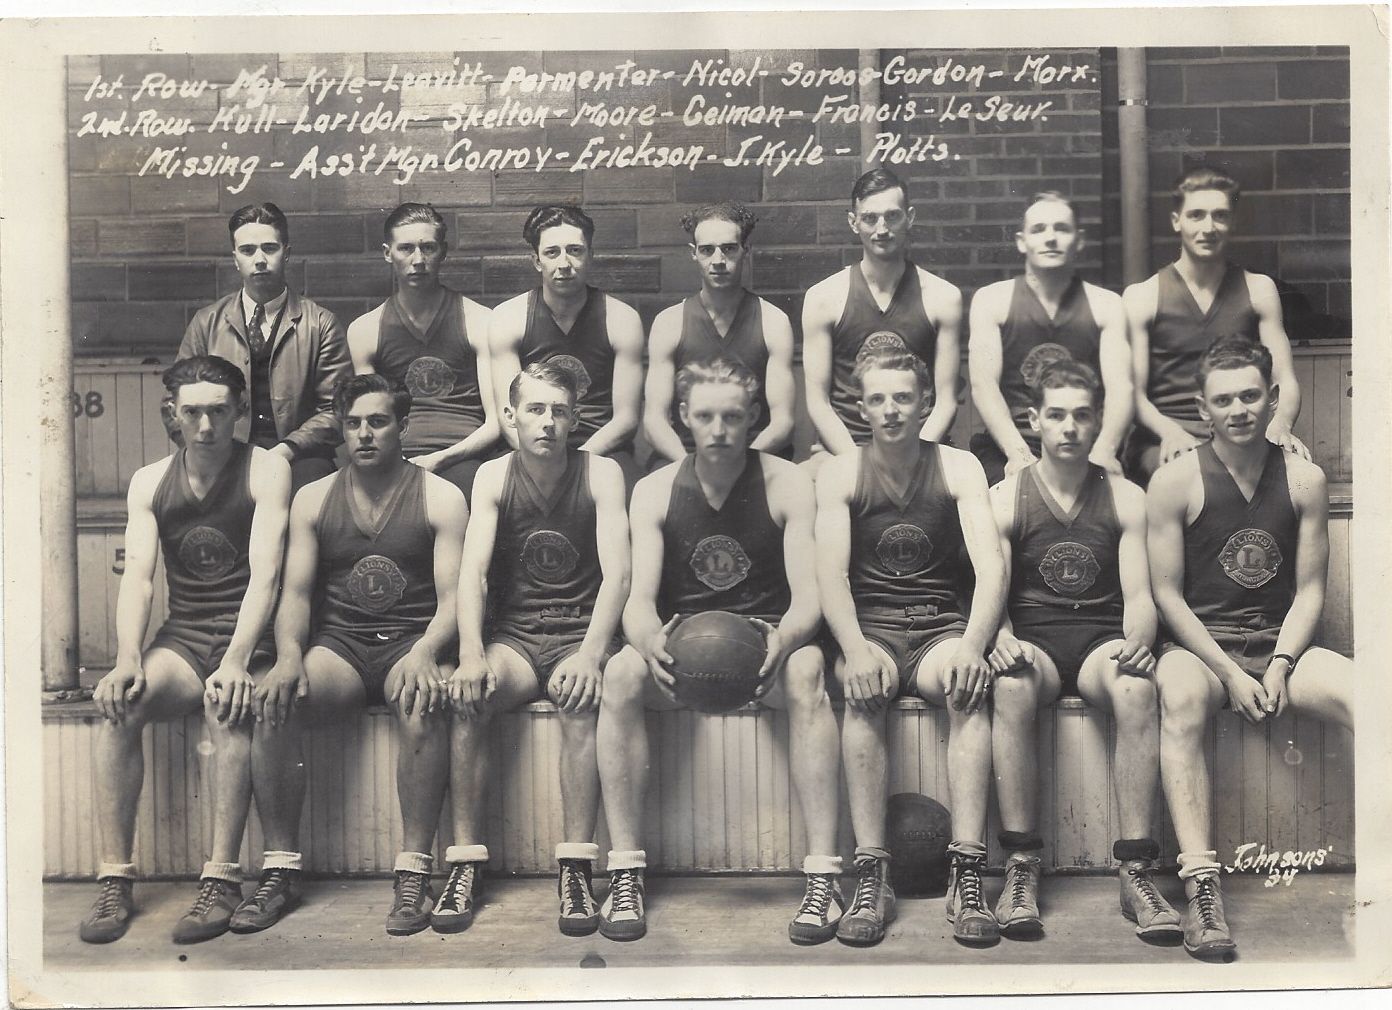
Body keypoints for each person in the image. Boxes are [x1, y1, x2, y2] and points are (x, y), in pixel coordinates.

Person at [596, 358, 842, 944]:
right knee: (624, 673)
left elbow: (810, 598)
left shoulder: (788, 483)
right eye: (704, 416)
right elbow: (638, 601)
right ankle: (626, 870)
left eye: (733, 416)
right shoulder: (655, 490)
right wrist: (649, 641)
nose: (719, 429)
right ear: (683, 418)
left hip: (764, 650)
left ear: (754, 417)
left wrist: (783, 640)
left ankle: (823, 876)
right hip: (685, 651)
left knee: (809, 668)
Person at [240, 374, 467, 937]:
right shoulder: (313, 498)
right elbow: (293, 594)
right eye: (353, 424)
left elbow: (456, 598)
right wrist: (290, 656)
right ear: (340, 430)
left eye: (378, 421)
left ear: (403, 426)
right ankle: (280, 869)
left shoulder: (440, 496)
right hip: (341, 646)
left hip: (410, 644)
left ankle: (414, 870)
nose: (364, 434)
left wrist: (427, 651)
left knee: (421, 703)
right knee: (275, 700)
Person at [1148, 338, 1353, 961]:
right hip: (1204, 647)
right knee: (1179, 695)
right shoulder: (1173, 480)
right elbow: (1167, 595)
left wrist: (1284, 663)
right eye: (1222, 400)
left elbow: (1311, 588)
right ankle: (1201, 886)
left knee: (1372, 697)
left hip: (1278, 642)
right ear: (1201, 408)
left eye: (1249, 395)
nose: (1238, 409)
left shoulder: (1304, 478)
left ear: (1272, 398)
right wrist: (1228, 674)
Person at [81, 355, 290, 945]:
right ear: (172, 412)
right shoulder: (150, 480)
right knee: (122, 705)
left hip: (253, 638)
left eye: (219, 412)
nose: (205, 426)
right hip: (186, 636)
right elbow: (140, 579)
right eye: (192, 412)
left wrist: (237, 660)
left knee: (227, 707)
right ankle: (114, 878)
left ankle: (220, 879)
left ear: (240, 411)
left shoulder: (265, 469)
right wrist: (127, 657)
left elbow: (265, 576)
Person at [815, 347, 1005, 947]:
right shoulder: (841, 471)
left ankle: (967, 870)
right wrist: (854, 649)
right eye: (878, 399)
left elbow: (992, 570)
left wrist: (975, 645)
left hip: (937, 627)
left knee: (968, 688)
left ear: (926, 402)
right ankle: (872, 871)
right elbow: (830, 576)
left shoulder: (959, 466)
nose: (891, 410)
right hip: (870, 627)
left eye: (903, 398)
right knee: (861, 692)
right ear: (860, 407)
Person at [986, 360, 1180, 944]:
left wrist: (1138, 644)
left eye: (1082, 415)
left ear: (1099, 422)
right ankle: (1021, 867)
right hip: (1036, 641)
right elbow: (991, 591)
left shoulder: (1124, 496)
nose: (1069, 427)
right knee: (1012, 684)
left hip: (1099, 638)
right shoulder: (1005, 497)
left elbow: (1141, 594)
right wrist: (999, 638)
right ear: (1033, 420)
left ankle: (1136, 869)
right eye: (1057, 415)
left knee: (1136, 686)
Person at [437, 362, 631, 936]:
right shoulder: (493, 477)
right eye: (536, 410)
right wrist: (472, 652)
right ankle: (465, 862)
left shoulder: (602, 473)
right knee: (468, 697)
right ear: (511, 416)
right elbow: (471, 574)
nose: (547, 423)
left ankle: (575, 866)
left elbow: (618, 576)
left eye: (560, 411)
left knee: (579, 702)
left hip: (580, 633)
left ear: (575, 419)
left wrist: (593, 655)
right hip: (517, 638)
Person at [1123, 167, 1308, 481]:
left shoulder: (1259, 289)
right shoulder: (1142, 296)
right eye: (1196, 215)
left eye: (1219, 216)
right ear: (1176, 221)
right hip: (1165, 442)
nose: (1208, 227)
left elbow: (1285, 379)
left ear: (1232, 222)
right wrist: (1169, 432)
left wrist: (1281, 425)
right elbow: (1133, 393)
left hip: (1240, 434)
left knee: (1302, 473)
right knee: (1190, 478)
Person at [172, 202, 351, 492]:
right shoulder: (206, 323)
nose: (259, 259)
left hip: (299, 457)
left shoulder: (320, 324)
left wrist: (286, 450)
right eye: (248, 250)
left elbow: (338, 408)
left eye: (269, 248)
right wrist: (208, 446)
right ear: (235, 259)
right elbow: (174, 401)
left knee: (311, 493)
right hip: (219, 452)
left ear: (287, 253)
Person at [968, 191, 1133, 484]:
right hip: (1012, 443)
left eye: (1061, 228)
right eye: (1039, 229)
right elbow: (984, 387)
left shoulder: (1106, 305)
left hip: (1081, 443)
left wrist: (1104, 450)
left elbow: (1120, 388)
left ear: (1079, 240)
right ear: (1022, 241)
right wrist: (1017, 453)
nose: (1051, 238)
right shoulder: (991, 301)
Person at [802, 168, 962, 467]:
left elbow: (947, 401)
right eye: (870, 218)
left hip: (921, 451)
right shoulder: (823, 298)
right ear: (853, 222)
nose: (882, 228)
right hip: (845, 449)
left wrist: (912, 462)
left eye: (892, 216)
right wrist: (857, 464)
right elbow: (818, 403)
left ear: (910, 217)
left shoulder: (943, 297)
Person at [347, 203, 499, 504]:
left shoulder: (480, 320)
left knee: (468, 492)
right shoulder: (365, 329)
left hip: (463, 457)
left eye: (427, 247)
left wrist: (442, 458)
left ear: (443, 251)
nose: (418, 260)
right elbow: (370, 419)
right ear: (387, 253)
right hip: (395, 457)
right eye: (406, 248)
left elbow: (496, 423)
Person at [489, 204, 645, 489]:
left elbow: (626, 419)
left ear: (590, 255)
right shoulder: (508, 317)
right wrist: (543, 459)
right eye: (552, 252)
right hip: (530, 448)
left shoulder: (621, 318)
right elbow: (507, 415)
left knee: (634, 492)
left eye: (575, 250)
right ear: (536, 260)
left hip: (601, 447)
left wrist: (577, 461)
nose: (564, 263)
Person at [642, 201, 796, 465]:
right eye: (707, 250)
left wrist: (740, 467)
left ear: (745, 250)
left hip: (756, 458)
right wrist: (693, 469)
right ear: (694, 253)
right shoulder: (669, 322)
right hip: (686, 456)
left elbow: (783, 422)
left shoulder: (773, 321)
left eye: (728, 249)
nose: (718, 261)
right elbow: (653, 421)